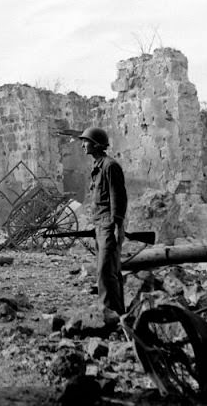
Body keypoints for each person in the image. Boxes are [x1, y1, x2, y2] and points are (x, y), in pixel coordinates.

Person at [78, 127, 127, 323]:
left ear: (97, 144)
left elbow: (118, 197)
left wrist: (117, 225)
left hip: (108, 224)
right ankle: (119, 314)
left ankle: (109, 314)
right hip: (100, 224)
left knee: (105, 271)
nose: (83, 145)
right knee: (110, 271)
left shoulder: (110, 166)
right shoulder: (98, 167)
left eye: (86, 141)